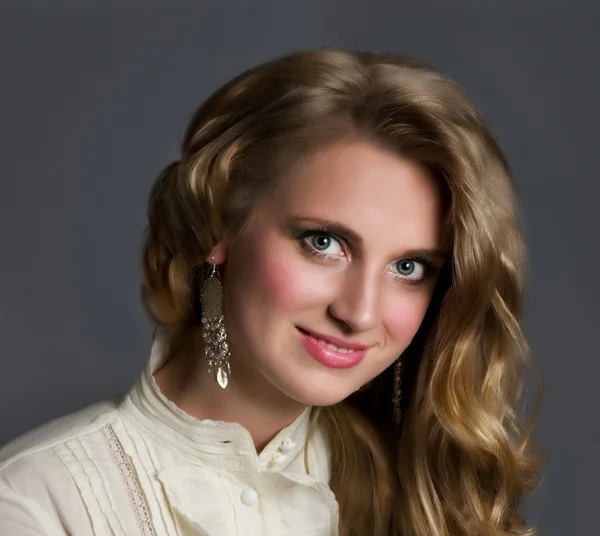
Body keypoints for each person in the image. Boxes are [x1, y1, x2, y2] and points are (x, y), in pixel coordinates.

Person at [0, 47, 542, 536]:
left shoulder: (423, 496)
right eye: (324, 242)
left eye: (409, 267)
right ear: (220, 227)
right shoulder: (37, 503)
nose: (359, 312)